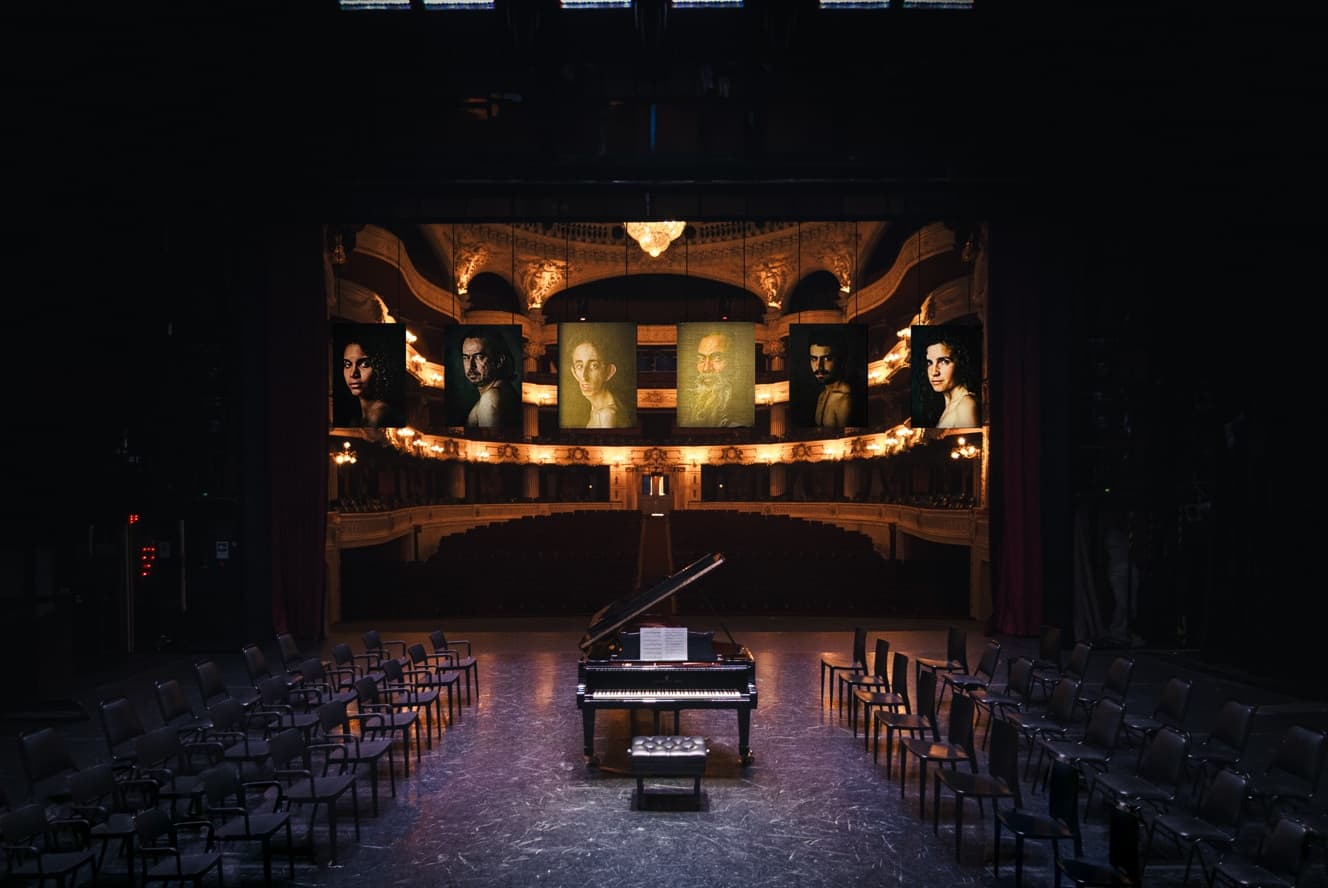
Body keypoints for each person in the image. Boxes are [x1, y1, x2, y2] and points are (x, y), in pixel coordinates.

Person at [340, 336, 405, 429]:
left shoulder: (381, 414)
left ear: (379, 368)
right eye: (347, 364)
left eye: (364, 364)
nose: (353, 373)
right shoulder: (356, 418)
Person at [461, 330, 522, 429]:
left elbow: (489, 441)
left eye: (478, 357)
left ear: (499, 361)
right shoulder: (502, 391)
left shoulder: (490, 398)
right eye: (466, 358)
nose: (470, 365)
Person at [569, 339, 628, 428]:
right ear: (574, 373)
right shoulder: (596, 408)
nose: (584, 377)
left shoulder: (607, 415)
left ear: (609, 372)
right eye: (579, 366)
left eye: (594, 366)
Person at [923, 335, 980, 429]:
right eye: (930, 363)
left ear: (961, 364)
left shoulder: (966, 405)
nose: (934, 372)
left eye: (944, 362)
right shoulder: (951, 403)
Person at [685, 330, 739, 427]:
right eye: (701, 359)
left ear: (734, 363)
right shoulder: (687, 412)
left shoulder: (742, 413)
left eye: (716, 359)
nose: (706, 368)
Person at [808, 330, 854, 428]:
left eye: (827, 359)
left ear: (841, 361)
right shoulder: (822, 395)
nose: (818, 367)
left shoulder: (846, 398)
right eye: (814, 359)